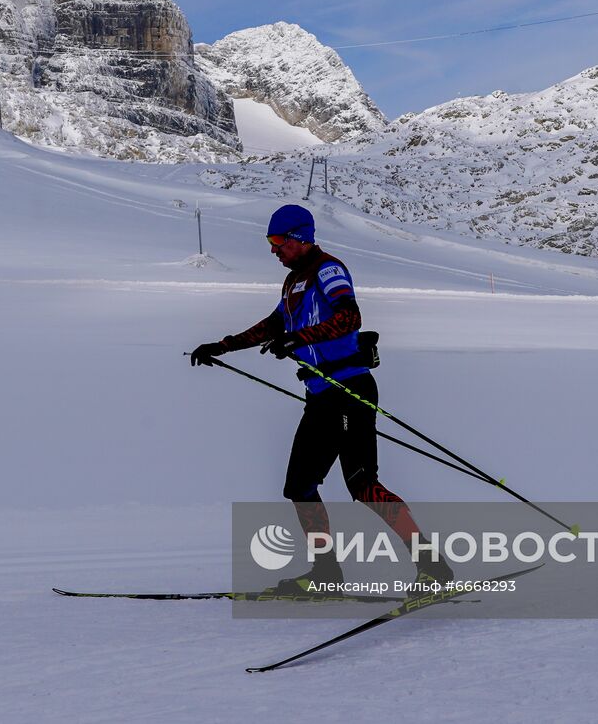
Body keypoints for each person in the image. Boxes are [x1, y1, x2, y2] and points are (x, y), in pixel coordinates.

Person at [190, 204, 452, 595]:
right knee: (299, 486)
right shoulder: (294, 281)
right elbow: (274, 324)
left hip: (349, 391)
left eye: (278, 242)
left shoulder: (329, 270)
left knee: (363, 485)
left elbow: (350, 317)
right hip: (321, 396)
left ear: (300, 238)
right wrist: (223, 346)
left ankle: (434, 570)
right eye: (270, 242)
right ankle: (325, 574)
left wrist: (302, 338)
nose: (273, 250)